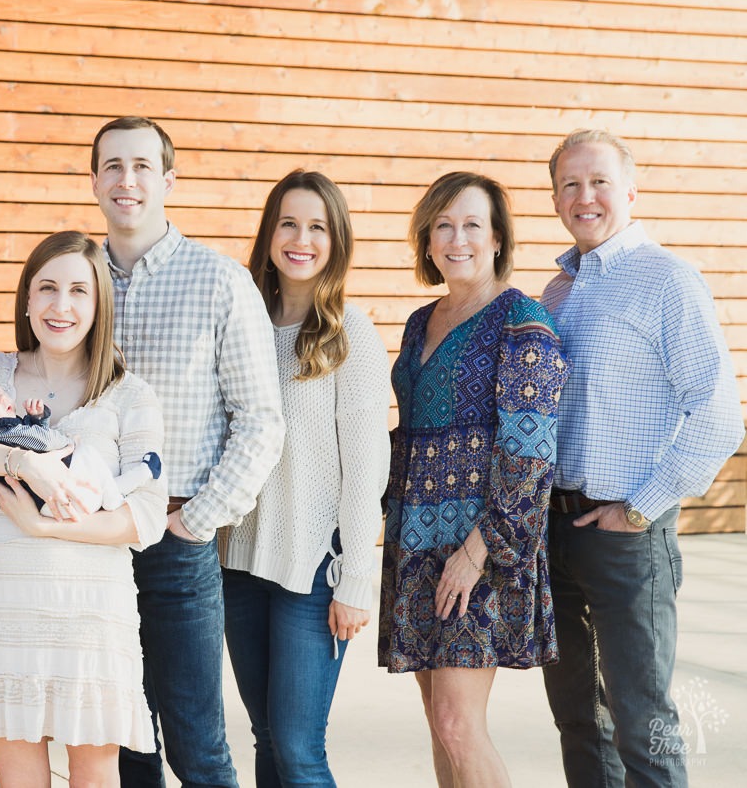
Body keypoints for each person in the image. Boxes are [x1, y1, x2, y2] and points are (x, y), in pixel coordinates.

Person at [0, 230, 168, 786]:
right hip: (4, 606)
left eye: (80, 290)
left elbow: (146, 518)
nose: (62, 305)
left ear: (99, 302)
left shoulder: (129, 394)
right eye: (48, 288)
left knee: (96, 778)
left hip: (93, 613)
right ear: (27, 300)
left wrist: (40, 524)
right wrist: (24, 465)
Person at [539, 129, 743, 788]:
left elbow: (715, 413)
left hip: (627, 536)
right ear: (554, 198)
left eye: (598, 181)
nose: (584, 196)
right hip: (555, 529)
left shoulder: (666, 280)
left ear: (628, 190)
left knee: (641, 723)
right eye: (569, 183)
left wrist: (640, 506)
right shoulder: (556, 291)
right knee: (576, 718)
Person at [87, 116, 285, 788]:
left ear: (167, 180)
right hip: (91, 541)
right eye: (112, 165)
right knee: (123, 739)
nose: (126, 179)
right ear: (93, 180)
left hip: (175, 541)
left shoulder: (219, 281)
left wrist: (197, 518)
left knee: (196, 745)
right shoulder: (74, 279)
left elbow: (260, 420)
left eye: (142, 165)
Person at [379, 171, 568, 788]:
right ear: (427, 241)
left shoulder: (523, 321)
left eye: (472, 225)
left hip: (480, 547)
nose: (456, 238)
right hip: (416, 545)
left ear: (496, 240)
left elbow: (530, 455)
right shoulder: (418, 322)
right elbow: (407, 434)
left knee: (460, 724)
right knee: (441, 726)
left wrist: (476, 552)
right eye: (443, 225)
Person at [221, 170, 390, 788]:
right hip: (237, 564)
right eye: (288, 223)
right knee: (266, 736)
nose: (301, 239)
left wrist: (356, 583)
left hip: (313, 570)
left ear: (336, 240)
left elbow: (366, 472)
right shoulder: (241, 327)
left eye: (317, 226)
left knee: (297, 749)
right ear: (269, 233)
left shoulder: (353, 336)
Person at [0, 374, 161, 513]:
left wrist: (36, 420)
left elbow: (30, 440)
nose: (1, 399)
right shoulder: (0, 431)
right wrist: (67, 444)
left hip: (54, 502)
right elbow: (42, 441)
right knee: (87, 454)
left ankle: (130, 481)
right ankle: (129, 485)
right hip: (59, 498)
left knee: (100, 484)